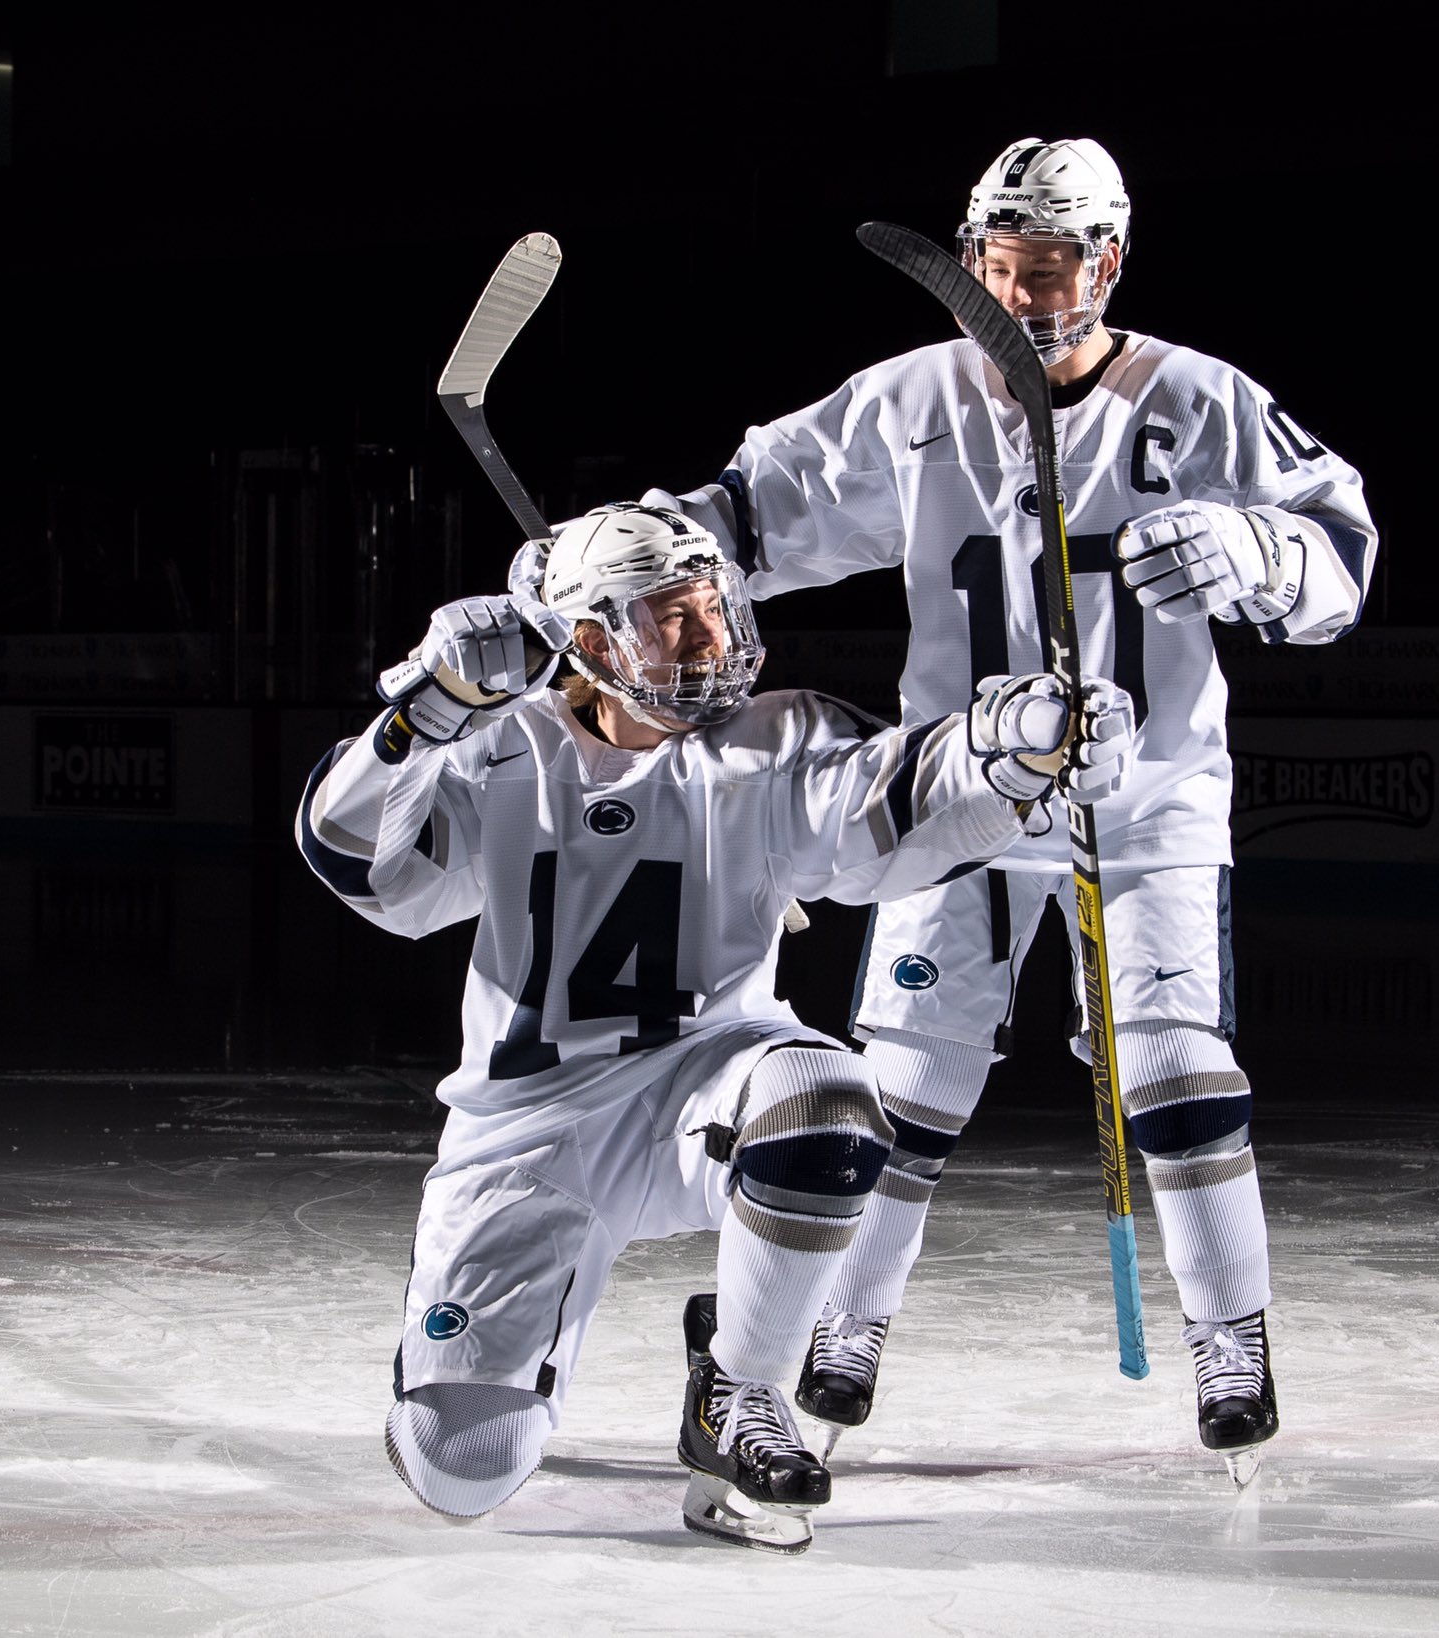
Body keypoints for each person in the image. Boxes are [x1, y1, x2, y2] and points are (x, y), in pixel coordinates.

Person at [648, 136, 1378, 1480]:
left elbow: (1342, 554)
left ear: (1108, 259)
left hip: (1149, 792)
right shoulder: (912, 401)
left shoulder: (1200, 404)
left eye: (1048, 266)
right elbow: (749, 516)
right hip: (961, 785)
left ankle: (1234, 1336)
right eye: (998, 265)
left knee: (1173, 1063)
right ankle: (844, 1323)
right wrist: (632, 548)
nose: (1023, 295)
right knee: (906, 1081)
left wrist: (1257, 550)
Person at [296, 502, 1135, 1551]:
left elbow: (894, 808)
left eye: (713, 609)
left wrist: (1010, 761)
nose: (711, 641)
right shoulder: (499, 749)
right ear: (592, 643)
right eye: (670, 620)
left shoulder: (773, 741)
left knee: (828, 1104)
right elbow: (359, 867)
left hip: (710, 1080)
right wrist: (421, 713)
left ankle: (737, 1392)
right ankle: (488, 1374)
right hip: (528, 1134)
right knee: (462, 1463)